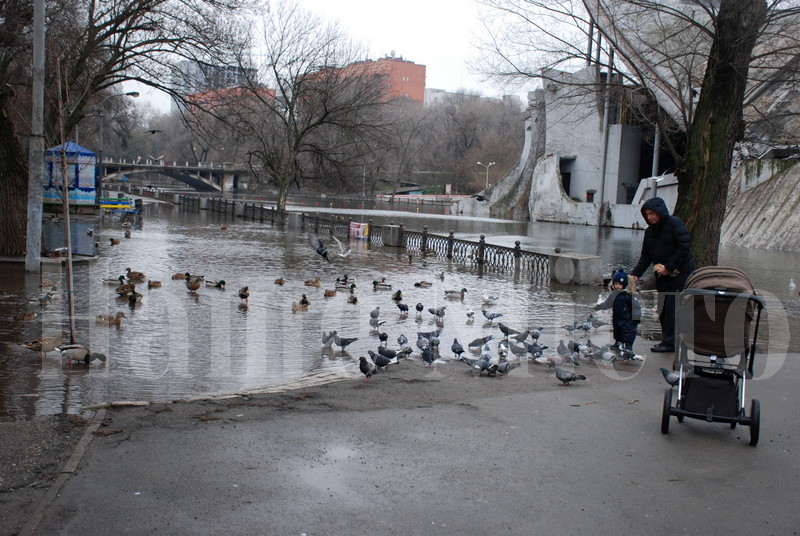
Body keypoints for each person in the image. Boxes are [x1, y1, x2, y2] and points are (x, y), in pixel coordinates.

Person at [629, 197, 696, 353]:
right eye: (647, 214)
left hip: (680, 274)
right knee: (663, 309)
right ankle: (669, 341)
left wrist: (669, 267)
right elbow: (646, 256)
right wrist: (635, 274)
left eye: (652, 213)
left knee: (673, 309)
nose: (650, 217)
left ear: (660, 212)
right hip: (663, 276)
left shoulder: (675, 224)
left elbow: (684, 248)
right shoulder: (650, 232)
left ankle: (672, 343)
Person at [594, 269, 640, 351]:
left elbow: (636, 306)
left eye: (620, 284)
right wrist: (600, 307)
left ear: (625, 284)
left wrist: (636, 317)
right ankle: (618, 342)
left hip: (628, 319)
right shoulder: (613, 294)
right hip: (617, 317)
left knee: (628, 332)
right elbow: (608, 303)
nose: (618, 286)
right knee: (617, 331)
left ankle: (628, 345)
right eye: (616, 284)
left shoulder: (629, 295)